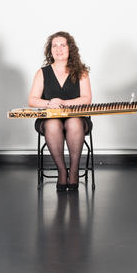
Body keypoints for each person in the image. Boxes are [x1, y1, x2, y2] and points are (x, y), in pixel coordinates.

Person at [28, 32, 92, 192]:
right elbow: (33, 100)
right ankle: (62, 171)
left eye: (62, 45)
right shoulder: (42, 73)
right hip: (49, 119)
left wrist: (63, 103)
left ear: (70, 48)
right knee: (53, 124)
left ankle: (75, 171)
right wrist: (49, 103)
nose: (58, 49)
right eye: (54, 45)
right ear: (50, 50)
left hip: (77, 118)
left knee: (74, 122)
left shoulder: (81, 72)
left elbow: (86, 99)